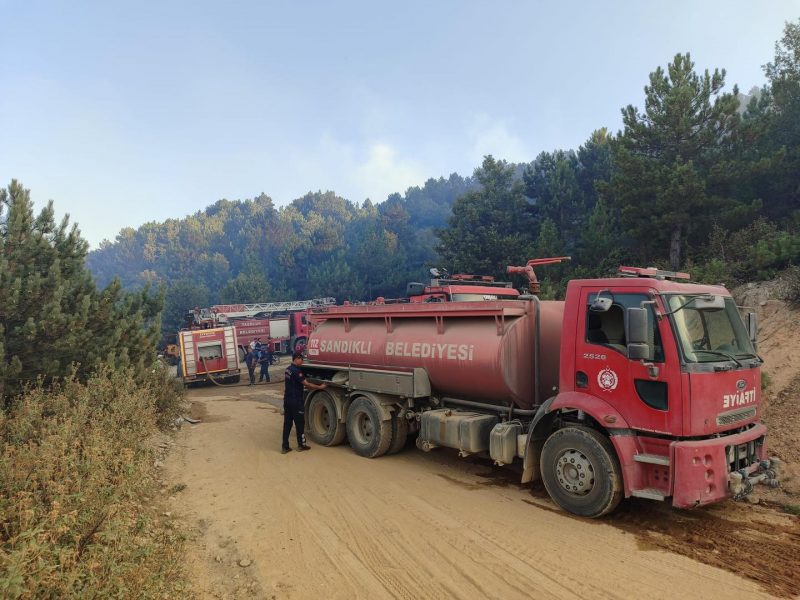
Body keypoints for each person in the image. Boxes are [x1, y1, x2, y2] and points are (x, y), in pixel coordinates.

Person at [282, 351, 327, 454]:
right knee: (300, 423)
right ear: (296, 359)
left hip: (287, 400)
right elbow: (307, 384)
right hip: (296, 401)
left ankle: (285, 447)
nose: (302, 362)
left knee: (287, 424)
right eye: (301, 359)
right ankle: (301, 445)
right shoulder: (297, 372)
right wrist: (320, 387)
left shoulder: (287, 369)